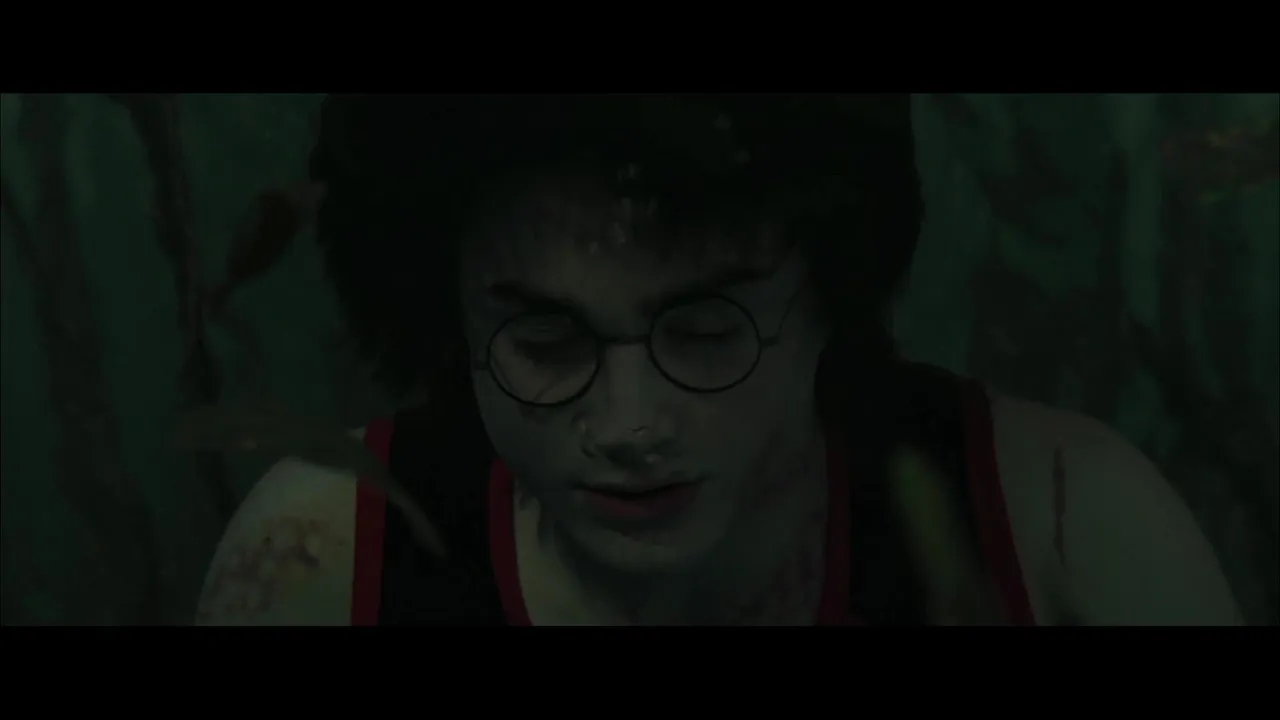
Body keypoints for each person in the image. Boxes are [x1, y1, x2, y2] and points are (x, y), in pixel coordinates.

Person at [195, 95, 1242, 626]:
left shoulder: (1064, 530)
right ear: (448, 318)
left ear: (828, 295)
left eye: (705, 334)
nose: (630, 424)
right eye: (544, 343)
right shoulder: (323, 561)